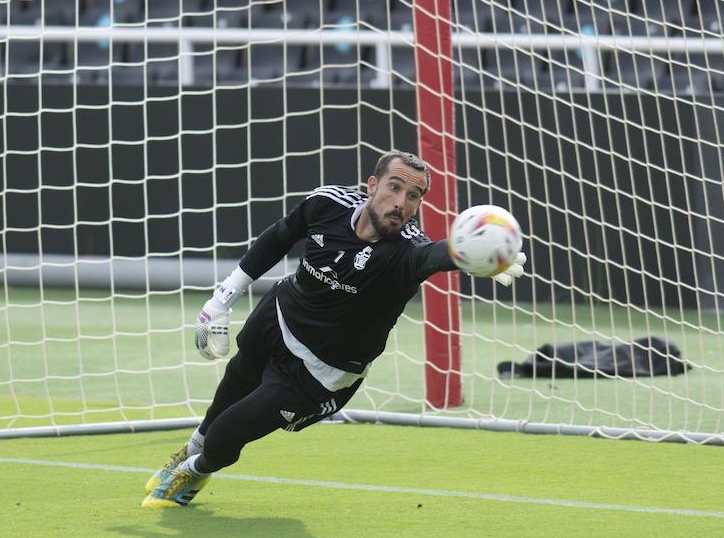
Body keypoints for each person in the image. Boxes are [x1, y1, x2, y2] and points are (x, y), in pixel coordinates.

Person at [142, 149, 525, 508]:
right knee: (235, 380)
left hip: (319, 370)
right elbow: (280, 236)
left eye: (414, 196)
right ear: (372, 186)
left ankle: (194, 472)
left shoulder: (408, 252)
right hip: (279, 316)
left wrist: (471, 255)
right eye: (395, 187)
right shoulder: (327, 203)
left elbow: (434, 255)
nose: (401, 203)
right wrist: (223, 298)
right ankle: (191, 448)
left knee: (229, 431)